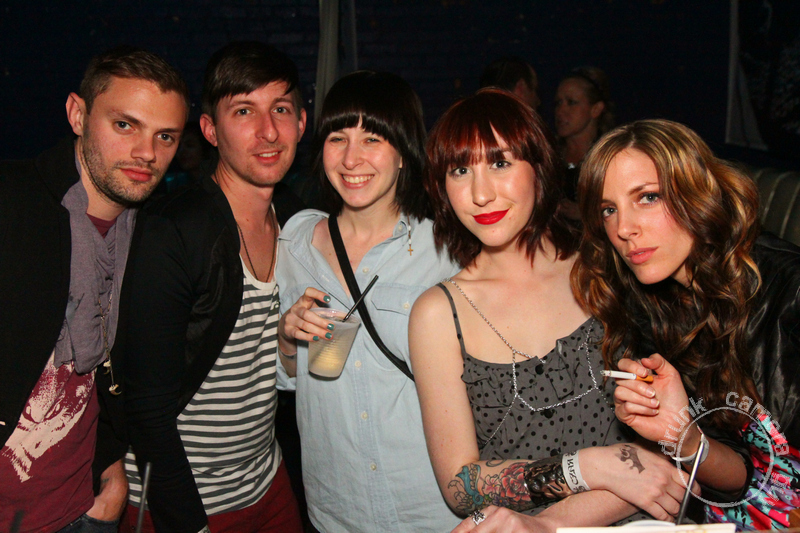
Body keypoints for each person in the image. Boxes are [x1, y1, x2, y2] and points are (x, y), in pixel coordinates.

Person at [411, 89, 697, 533]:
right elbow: (460, 486)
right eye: (460, 170)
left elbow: (675, 436)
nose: (481, 194)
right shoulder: (438, 313)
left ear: (539, 167)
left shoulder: (606, 266)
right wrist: (587, 468)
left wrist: (562, 518)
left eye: (500, 163)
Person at [573, 119, 800, 530]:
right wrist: (687, 439)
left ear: (697, 193)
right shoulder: (651, 308)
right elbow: (749, 476)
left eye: (648, 197)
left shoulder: (790, 294)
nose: (624, 229)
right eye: (609, 210)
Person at [119, 41, 306, 533]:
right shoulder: (175, 231)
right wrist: (188, 522)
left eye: (281, 109)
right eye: (244, 110)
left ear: (302, 122)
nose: (268, 131)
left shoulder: (297, 223)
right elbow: (146, 406)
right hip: (180, 501)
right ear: (209, 130)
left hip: (266, 482)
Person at [0, 46, 188, 532]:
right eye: (125, 125)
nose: (147, 153)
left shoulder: (147, 235)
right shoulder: (13, 204)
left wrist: (109, 464)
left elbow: (118, 372)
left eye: (165, 136)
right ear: (77, 114)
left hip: (82, 510)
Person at [275, 70, 461, 533]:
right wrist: (287, 340)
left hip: (433, 509)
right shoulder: (296, 243)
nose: (351, 158)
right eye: (337, 138)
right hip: (337, 509)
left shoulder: (445, 248)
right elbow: (291, 379)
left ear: (403, 154)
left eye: (372, 139)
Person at [554, 66, 614, 215]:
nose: (560, 111)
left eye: (571, 102)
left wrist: (587, 214)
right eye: (558, 103)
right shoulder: (549, 154)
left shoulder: (611, 158)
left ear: (596, 109)